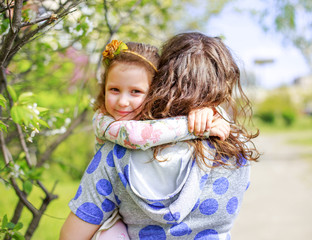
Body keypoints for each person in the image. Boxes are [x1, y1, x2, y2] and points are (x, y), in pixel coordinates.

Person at [60, 32, 259, 240]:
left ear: (161, 83)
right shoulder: (238, 150)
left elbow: (71, 236)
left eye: (136, 91)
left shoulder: (115, 155)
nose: (122, 101)